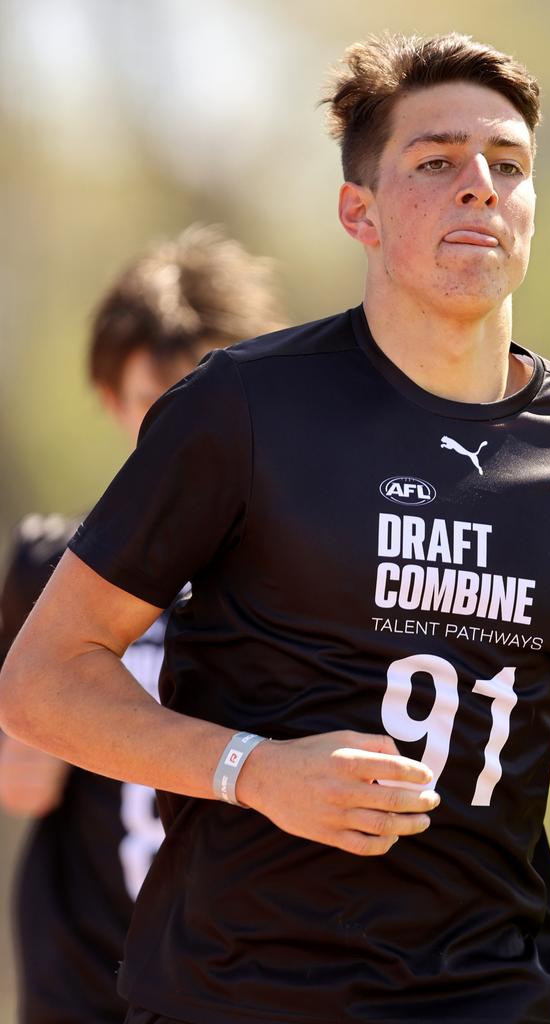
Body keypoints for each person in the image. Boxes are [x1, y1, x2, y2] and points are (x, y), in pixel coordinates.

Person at [0, 33, 550, 1024]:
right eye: (436, 161)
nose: (480, 184)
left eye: (508, 164)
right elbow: (41, 680)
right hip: (235, 995)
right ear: (361, 210)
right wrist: (256, 770)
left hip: (490, 996)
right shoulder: (243, 409)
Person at [0, 224, 283, 1024]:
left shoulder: (290, 582)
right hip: (84, 983)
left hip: (236, 985)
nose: (185, 446)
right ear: (112, 403)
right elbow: (18, 785)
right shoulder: (50, 568)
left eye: (209, 412)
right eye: (160, 412)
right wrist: (57, 682)